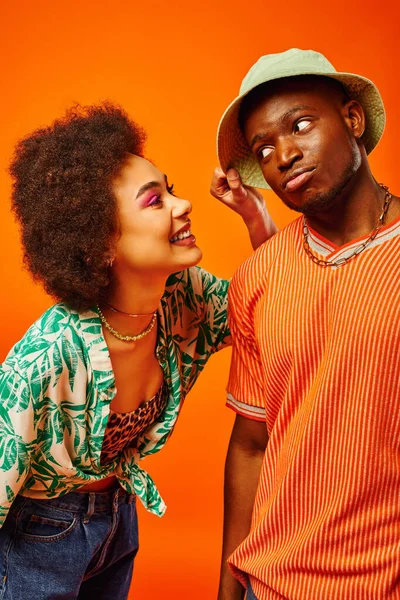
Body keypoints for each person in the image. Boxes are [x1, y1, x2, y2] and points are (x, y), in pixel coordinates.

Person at [0, 102, 277, 600]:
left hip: (118, 520)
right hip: (37, 536)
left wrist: (257, 218)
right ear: (101, 244)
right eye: (155, 201)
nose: (182, 204)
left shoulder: (182, 297)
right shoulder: (47, 357)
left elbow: (273, 311)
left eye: (170, 189)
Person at [215, 48, 400, 600]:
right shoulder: (258, 276)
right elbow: (250, 444)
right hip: (268, 584)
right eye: (264, 148)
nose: (284, 155)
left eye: (299, 125)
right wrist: (227, 590)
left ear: (352, 118)